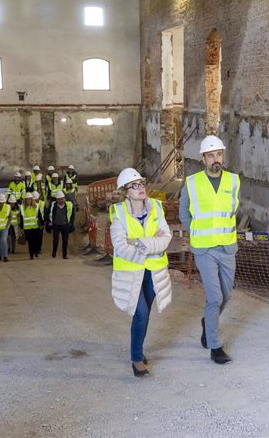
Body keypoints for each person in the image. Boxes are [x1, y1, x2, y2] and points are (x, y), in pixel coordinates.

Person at [179, 135, 240, 365]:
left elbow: (232, 210)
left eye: (219, 154)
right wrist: (196, 230)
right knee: (214, 297)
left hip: (227, 247)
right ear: (203, 158)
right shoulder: (192, 182)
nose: (216, 159)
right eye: (211, 155)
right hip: (204, 249)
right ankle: (215, 347)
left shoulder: (234, 181)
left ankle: (208, 322)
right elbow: (185, 213)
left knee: (226, 296)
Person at [110, 168, 172, 377]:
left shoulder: (156, 207)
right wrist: (150, 245)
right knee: (141, 313)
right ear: (125, 192)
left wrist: (137, 242)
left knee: (143, 317)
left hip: (153, 272)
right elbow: (120, 247)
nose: (140, 188)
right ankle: (136, 358)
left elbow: (166, 238)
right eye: (134, 185)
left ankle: (138, 349)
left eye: (141, 183)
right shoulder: (119, 214)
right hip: (131, 273)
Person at [46, 191, 74, 259]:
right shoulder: (53, 205)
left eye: (61, 199)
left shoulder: (69, 205)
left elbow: (72, 215)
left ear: (64, 198)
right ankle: (54, 251)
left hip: (65, 225)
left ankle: (65, 255)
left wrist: (71, 223)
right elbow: (47, 213)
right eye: (58, 199)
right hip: (56, 225)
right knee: (55, 240)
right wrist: (49, 221)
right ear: (56, 199)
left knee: (65, 241)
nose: (60, 200)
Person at [21, 193, 42, 260]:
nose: (28, 200)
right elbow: (21, 218)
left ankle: (35, 251)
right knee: (30, 242)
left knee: (36, 240)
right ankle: (31, 254)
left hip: (35, 226)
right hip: (27, 228)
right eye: (27, 199)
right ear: (25, 200)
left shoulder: (36, 206)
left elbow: (39, 216)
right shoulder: (22, 207)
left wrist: (41, 223)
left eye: (30, 199)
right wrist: (21, 227)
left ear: (32, 199)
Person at [0, 193, 11, 262]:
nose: (1, 204)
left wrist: (8, 224)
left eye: (2, 202)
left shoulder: (8, 207)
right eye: (0, 202)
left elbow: (10, 216)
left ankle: (5, 256)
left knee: (3, 240)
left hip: (4, 227)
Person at [33, 191, 45, 256]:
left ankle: (38, 249)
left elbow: (45, 212)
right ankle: (35, 249)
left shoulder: (42, 203)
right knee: (34, 236)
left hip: (40, 222)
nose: (35, 200)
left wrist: (44, 221)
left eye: (36, 199)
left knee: (40, 236)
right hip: (33, 222)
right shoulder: (30, 204)